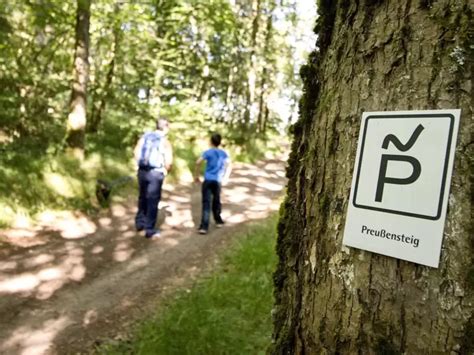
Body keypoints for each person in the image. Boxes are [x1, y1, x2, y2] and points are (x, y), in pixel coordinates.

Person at [134, 118, 173, 239]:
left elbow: (136, 151)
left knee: (142, 197)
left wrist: (139, 165)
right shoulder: (164, 141)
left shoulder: (145, 136)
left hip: (142, 171)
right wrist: (166, 170)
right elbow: (169, 161)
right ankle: (149, 229)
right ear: (165, 127)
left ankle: (140, 223)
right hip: (156, 173)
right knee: (153, 200)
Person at [194, 133, 231, 234]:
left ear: (211, 141)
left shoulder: (208, 152)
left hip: (208, 180)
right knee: (216, 200)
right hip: (218, 180)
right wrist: (226, 177)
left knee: (206, 203)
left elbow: (198, 162)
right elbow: (228, 164)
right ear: (220, 142)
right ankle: (218, 221)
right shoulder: (223, 153)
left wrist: (196, 176)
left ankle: (204, 227)